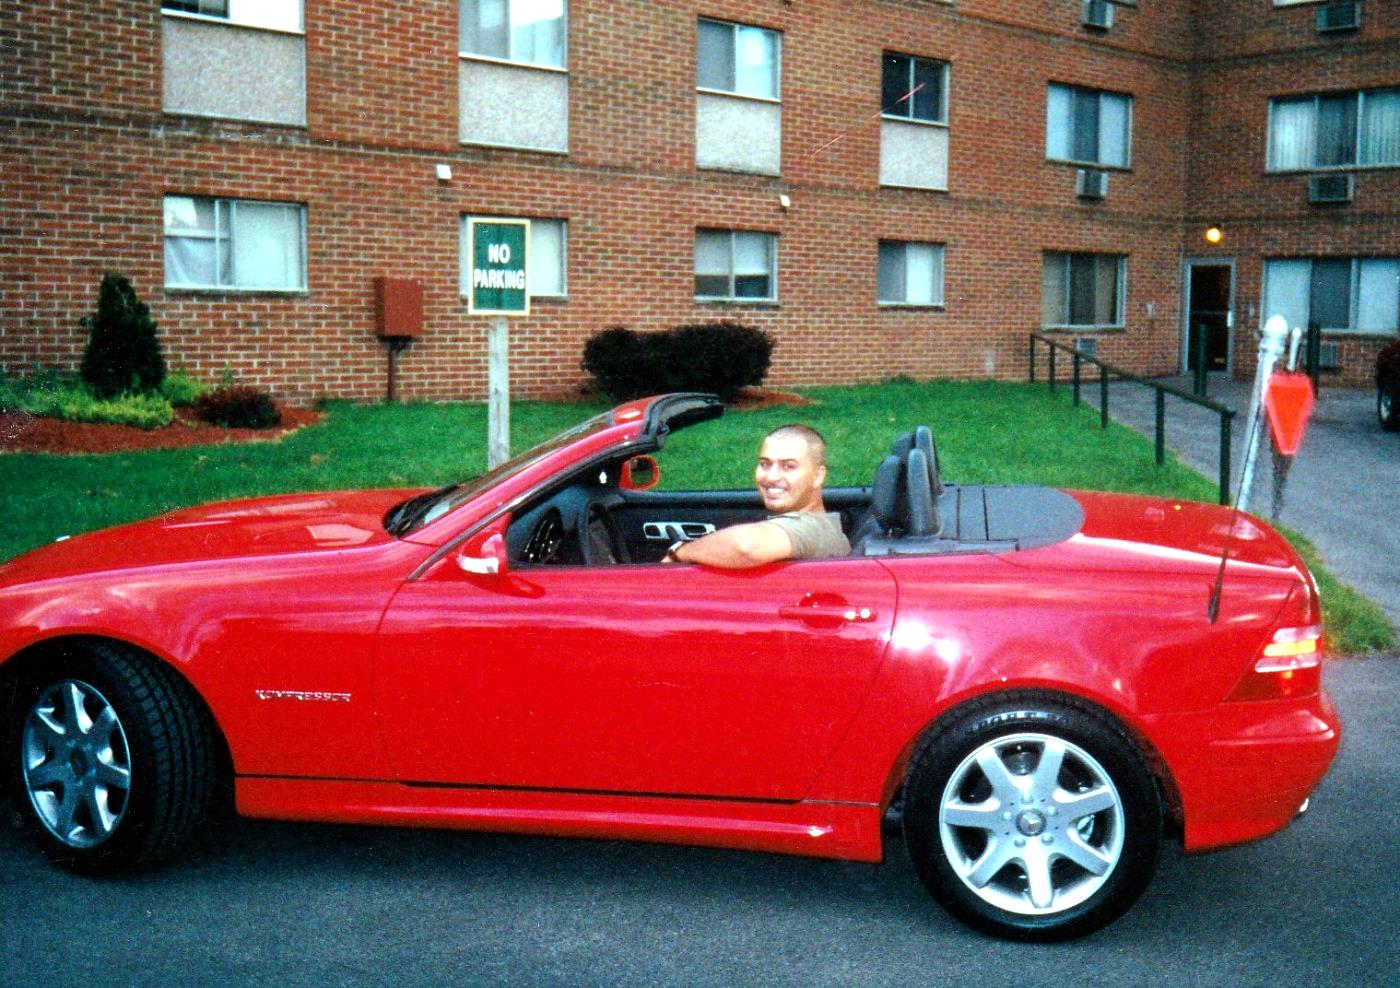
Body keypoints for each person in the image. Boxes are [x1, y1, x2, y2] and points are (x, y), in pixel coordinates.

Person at [663, 424, 849, 568]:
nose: (771, 477)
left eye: (788, 466)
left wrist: (680, 553)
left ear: (818, 476)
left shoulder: (811, 528)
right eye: (765, 464)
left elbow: (745, 547)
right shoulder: (820, 526)